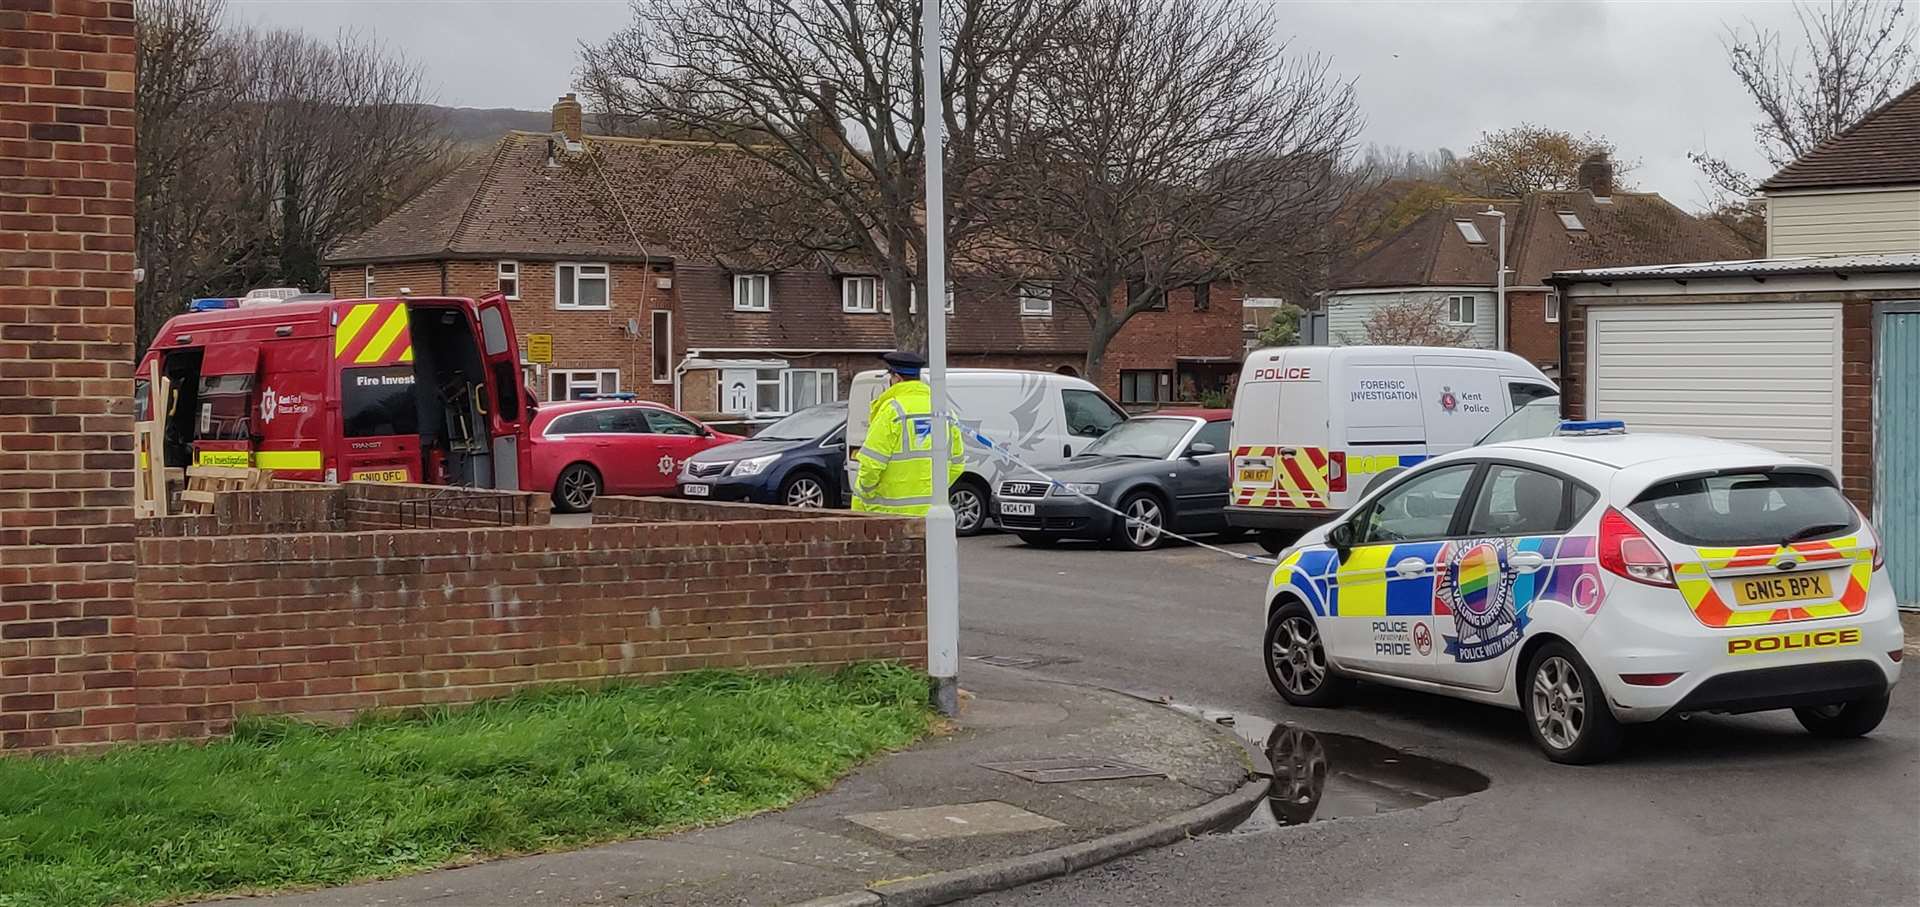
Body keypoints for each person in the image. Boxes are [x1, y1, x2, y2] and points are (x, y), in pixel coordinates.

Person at [852, 350, 964, 516]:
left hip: (890, 515)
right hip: (932, 516)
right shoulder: (944, 410)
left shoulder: (892, 410)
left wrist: (865, 493)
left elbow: (871, 465)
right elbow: (957, 464)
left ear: (896, 378)